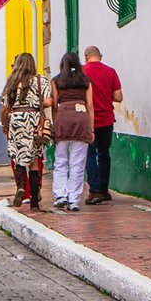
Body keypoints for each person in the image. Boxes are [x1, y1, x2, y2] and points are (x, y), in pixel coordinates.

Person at [0, 51, 49, 209]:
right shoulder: (40, 80)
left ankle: (21, 188)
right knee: (34, 160)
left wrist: (5, 125)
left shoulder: (12, 82)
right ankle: (34, 201)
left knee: (18, 157)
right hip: (33, 120)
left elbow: (5, 104)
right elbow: (47, 101)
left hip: (16, 121)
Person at [48, 51, 95, 212]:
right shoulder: (85, 81)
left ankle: (60, 195)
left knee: (60, 160)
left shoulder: (56, 80)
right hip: (81, 120)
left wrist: (56, 124)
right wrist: (92, 128)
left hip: (63, 119)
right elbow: (90, 106)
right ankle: (74, 199)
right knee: (78, 162)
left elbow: (54, 105)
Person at [81, 45, 124, 204]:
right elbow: (119, 97)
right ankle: (104, 190)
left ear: (86, 57)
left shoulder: (81, 71)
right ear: (101, 56)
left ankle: (94, 190)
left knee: (90, 154)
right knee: (104, 154)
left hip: (87, 120)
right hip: (106, 120)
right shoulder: (110, 71)